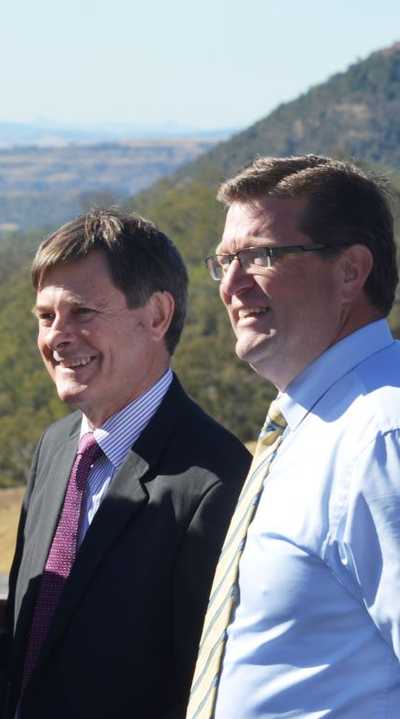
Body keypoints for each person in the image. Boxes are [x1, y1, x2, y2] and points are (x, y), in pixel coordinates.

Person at [0, 209, 249, 718]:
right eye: (45, 317)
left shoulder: (215, 481)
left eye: (82, 313)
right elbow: (16, 639)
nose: (56, 337)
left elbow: (206, 689)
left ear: (157, 316)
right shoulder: (55, 449)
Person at [188, 155, 400, 717]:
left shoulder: (381, 435)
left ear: (351, 271)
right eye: (225, 261)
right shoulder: (311, 421)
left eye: (261, 256)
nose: (231, 285)